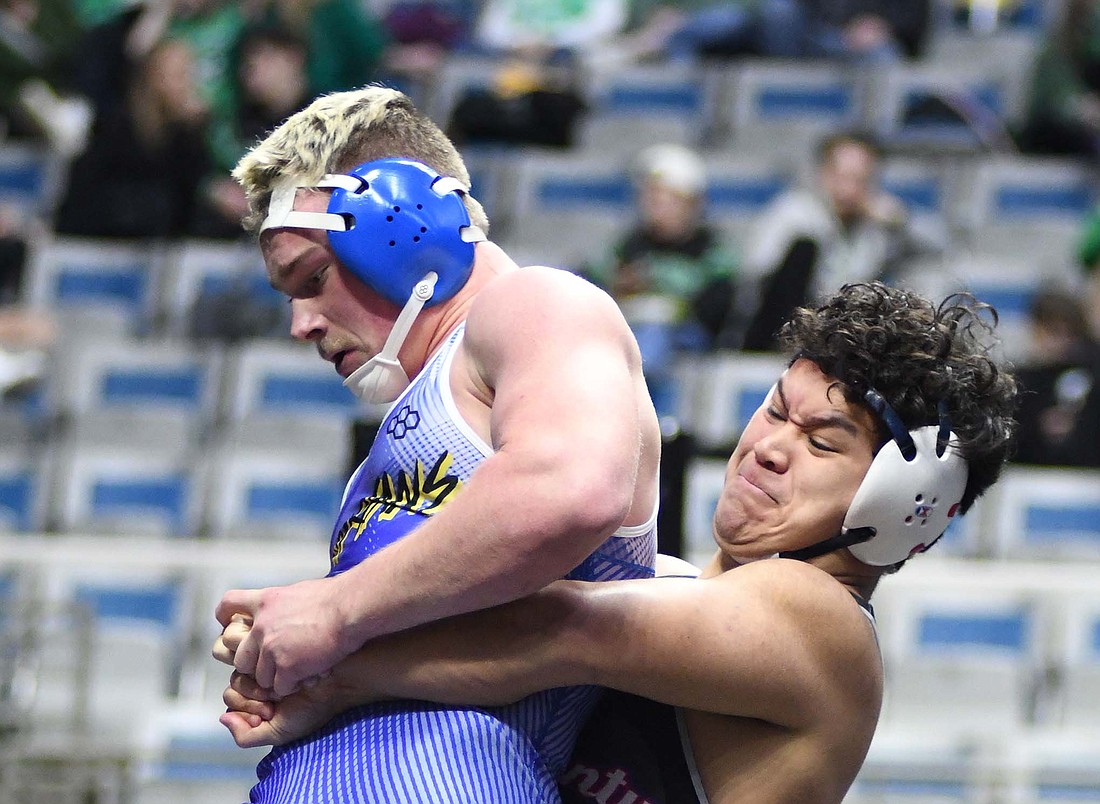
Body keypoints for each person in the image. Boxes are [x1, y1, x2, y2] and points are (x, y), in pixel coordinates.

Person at [217, 280, 1019, 803]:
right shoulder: (673, 588)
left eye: (823, 441)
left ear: (909, 504)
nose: (769, 447)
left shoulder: (823, 623)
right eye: (776, 410)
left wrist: (323, 654)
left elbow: (561, 627)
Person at [214, 85, 662, 802]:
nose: (300, 324)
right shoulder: (430, 407)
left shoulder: (539, 304)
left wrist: (331, 612)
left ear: (401, 225)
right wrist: (300, 658)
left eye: (313, 277)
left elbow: (572, 490)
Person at [583, 143, 738, 411]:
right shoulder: (630, 244)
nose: (657, 208)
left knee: (652, 338)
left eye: (668, 200)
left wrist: (660, 289)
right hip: (629, 324)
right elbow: (595, 278)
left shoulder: (712, 250)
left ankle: (626, 407)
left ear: (692, 204)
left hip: (683, 335)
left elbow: (715, 309)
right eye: (651, 198)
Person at [741, 130, 923, 352]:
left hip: (846, 334)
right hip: (780, 332)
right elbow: (756, 280)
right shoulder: (793, 213)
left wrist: (900, 221)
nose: (849, 189)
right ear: (823, 174)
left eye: (860, 180)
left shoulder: (879, 224)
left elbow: (937, 250)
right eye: (842, 177)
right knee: (803, 250)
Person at [1012, 286, 1100, 468]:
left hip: (1085, 480)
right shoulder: (1019, 382)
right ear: (1036, 329)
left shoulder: (1090, 375)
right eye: (1053, 332)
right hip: (1027, 479)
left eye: (1069, 334)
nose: (1061, 341)